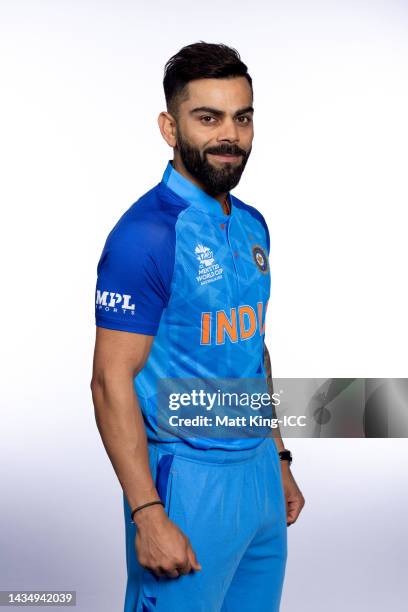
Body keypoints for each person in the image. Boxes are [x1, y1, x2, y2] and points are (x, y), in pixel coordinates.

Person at [91, 41, 305, 612]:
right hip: (187, 482)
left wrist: (279, 460)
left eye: (242, 116)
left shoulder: (254, 224)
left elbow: (252, 350)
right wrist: (147, 513)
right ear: (169, 127)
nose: (228, 134)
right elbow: (111, 381)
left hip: (257, 474)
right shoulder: (146, 236)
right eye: (207, 118)